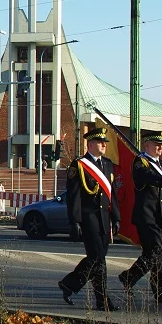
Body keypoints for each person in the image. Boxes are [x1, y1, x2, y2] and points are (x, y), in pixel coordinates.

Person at [58, 125, 120, 311]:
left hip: (104, 218)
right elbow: (74, 196)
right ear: (90, 144)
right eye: (100, 142)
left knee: (97, 259)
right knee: (98, 258)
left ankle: (70, 284)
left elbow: (112, 194)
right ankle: (102, 301)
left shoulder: (107, 164)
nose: (104, 145)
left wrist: (116, 217)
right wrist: (75, 221)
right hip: (89, 218)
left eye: (105, 143)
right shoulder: (79, 165)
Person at [119, 130, 162, 305]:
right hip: (146, 216)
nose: (160, 147)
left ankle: (131, 278)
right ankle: (156, 290)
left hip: (159, 216)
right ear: (146, 145)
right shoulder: (140, 162)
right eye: (156, 144)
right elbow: (147, 177)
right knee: (155, 253)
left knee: (156, 255)